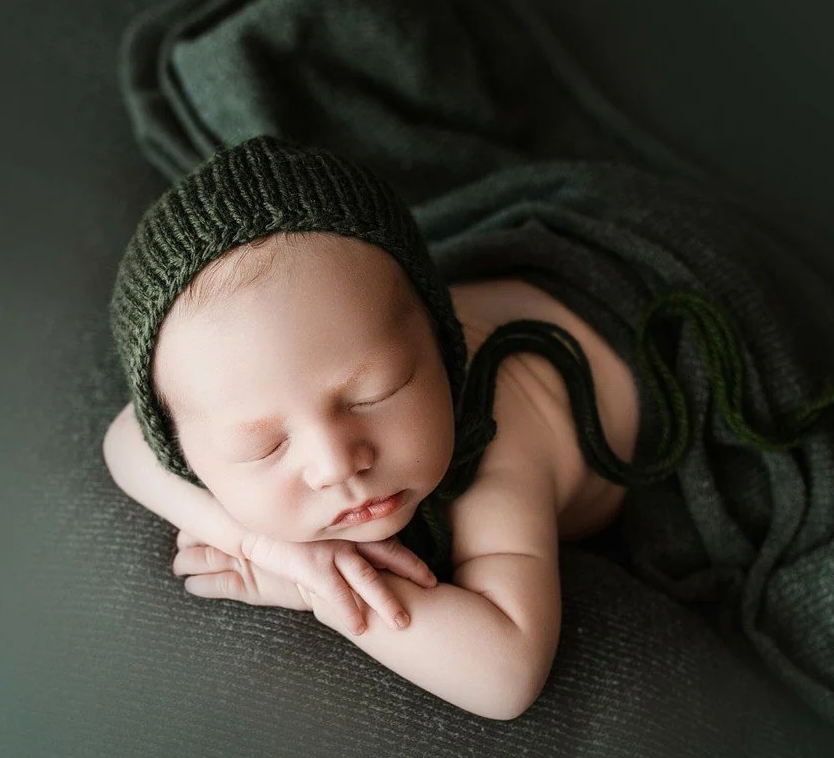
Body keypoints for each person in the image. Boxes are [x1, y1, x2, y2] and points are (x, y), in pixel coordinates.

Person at [103, 134, 640, 720]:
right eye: (263, 446)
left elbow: (505, 674)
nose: (336, 462)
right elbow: (124, 439)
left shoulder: (496, 444)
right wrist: (270, 548)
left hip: (627, 324)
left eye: (375, 392)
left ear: (443, 346)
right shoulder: (213, 412)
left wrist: (315, 591)